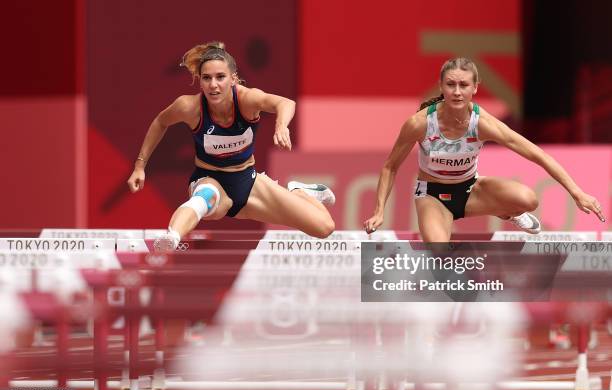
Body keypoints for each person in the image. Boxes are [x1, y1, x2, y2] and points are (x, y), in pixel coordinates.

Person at [364, 57, 605, 242]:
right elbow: (390, 167)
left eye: (463, 85)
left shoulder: (482, 124)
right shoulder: (419, 123)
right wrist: (379, 211)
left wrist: (577, 193)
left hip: (471, 190)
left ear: (475, 88)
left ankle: (508, 213)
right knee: (438, 250)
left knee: (528, 199)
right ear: (441, 86)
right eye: (450, 85)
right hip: (432, 195)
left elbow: (537, 154)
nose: (457, 92)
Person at [127, 41, 335, 250]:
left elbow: (285, 103)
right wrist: (139, 166)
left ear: (233, 79)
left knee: (324, 227)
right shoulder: (189, 107)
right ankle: (172, 237)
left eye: (220, 77)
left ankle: (298, 191)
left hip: (249, 183)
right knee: (205, 198)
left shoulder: (246, 99)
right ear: (200, 81)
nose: (213, 85)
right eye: (206, 78)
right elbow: (160, 122)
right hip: (209, 178)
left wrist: (281, 126)